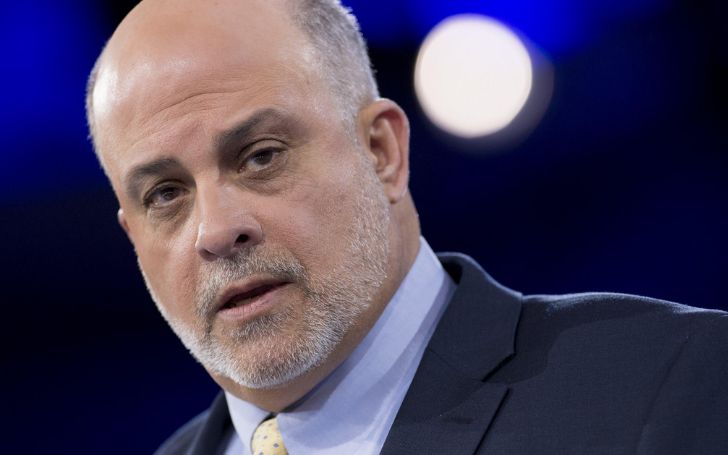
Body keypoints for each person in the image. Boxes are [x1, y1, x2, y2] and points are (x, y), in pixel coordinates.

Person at [85, 0, 728, 453]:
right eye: (165, 194)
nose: (216, 230)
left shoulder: (669, 383)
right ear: (133, 238)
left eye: (260, 157)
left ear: (382, 152)